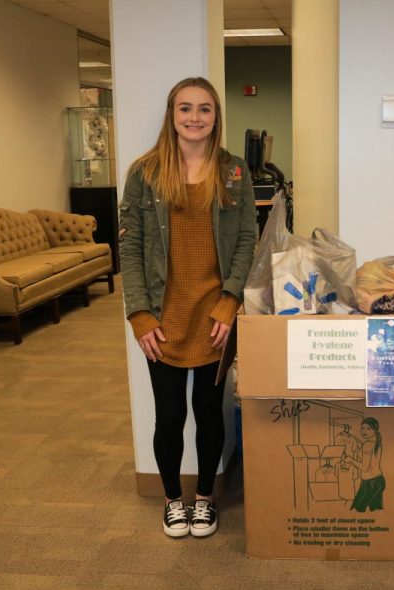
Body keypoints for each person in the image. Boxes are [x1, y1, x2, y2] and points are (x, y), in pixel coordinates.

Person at [118, 77, 257, 538]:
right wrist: (138, 312)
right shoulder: (146, 173)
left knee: (209, 411)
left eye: (204, 109)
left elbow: (245, 242)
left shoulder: (233, 171)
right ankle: (173, 499)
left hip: (214, 313)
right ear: (172, 115)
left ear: (216, 117)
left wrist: (230, 300)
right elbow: (131, 246)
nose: (195, 118)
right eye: (185, 109)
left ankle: (204, 501)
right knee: (170, 415)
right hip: (162, 314)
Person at [342, 417, 385, 512]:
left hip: (370, 484)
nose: (364, 431)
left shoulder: (367, 445)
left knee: (357, 510)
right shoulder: (376, 442)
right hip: (378, 481)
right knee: (376, 512)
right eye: (363, 428)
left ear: (375, 430)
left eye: (368, 428)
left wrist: (350, 460)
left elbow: (364, 468)